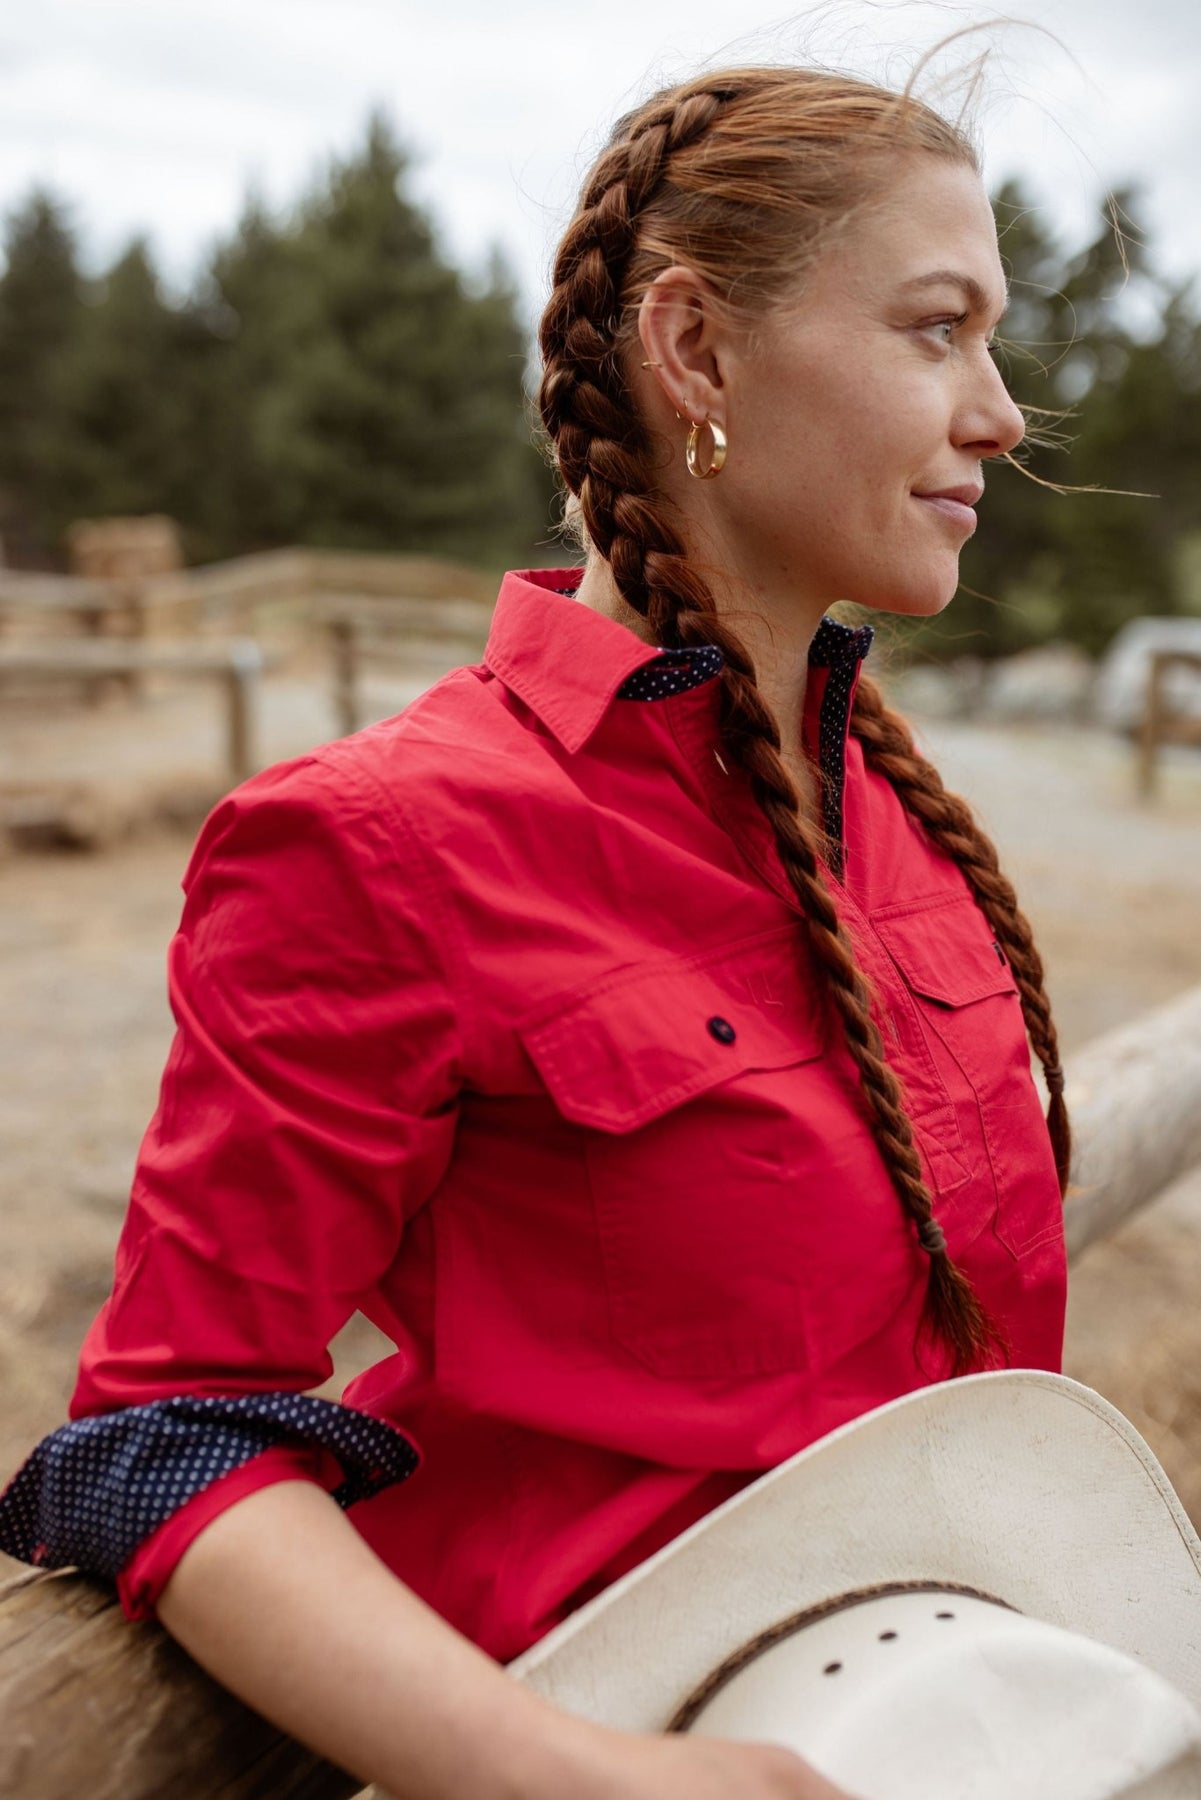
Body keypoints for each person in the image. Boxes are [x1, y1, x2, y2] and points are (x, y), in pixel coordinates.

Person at [0, 59, 1070, 1800]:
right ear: (696, 349)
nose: (1002, 415)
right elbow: (162, 1430)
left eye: (992, 341)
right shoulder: (378, 843)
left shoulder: (891, 811)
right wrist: (569, 1778)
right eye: (936, 330)